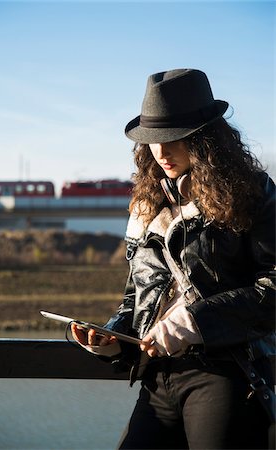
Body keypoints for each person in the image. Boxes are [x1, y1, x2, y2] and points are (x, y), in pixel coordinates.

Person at [71, 68, 275, 449]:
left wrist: (196, 320)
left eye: (174, 139)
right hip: (156, 378)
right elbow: (137, 299)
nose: (161, 152)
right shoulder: (147, 205)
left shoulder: (254, 192)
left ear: (206, 139)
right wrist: (112, 339)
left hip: (227, 373)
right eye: (152, 141)